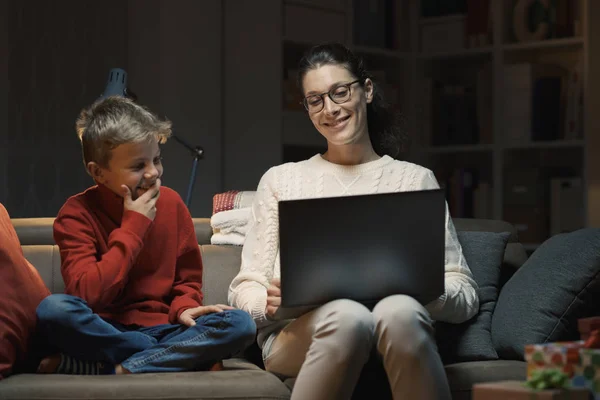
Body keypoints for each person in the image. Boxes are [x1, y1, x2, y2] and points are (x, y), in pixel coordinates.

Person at [228, 43, 479, 400]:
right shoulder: (282, 180)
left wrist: (427, 288)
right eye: (315, 100)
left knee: (402, 310)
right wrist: (270, 304)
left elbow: (465, 293)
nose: (329, 109)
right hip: (298, 336)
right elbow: (244, 287)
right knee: (348, 316)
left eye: (340, 92)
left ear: (367, 90)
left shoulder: (414, 179)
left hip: (395, 330)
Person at [36, 96, 256, 375]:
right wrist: (133, 226)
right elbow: (87, 295)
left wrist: (185, 307)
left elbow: (186, 280)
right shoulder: (76, 214)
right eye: (138, 166)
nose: (153, 173)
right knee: (53, 310)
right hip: (106, 329)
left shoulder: (173, 204)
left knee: (240, 324)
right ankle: (175, 357)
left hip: (167, 328)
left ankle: (113, 366)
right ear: (98, 172)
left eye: (156, 159)